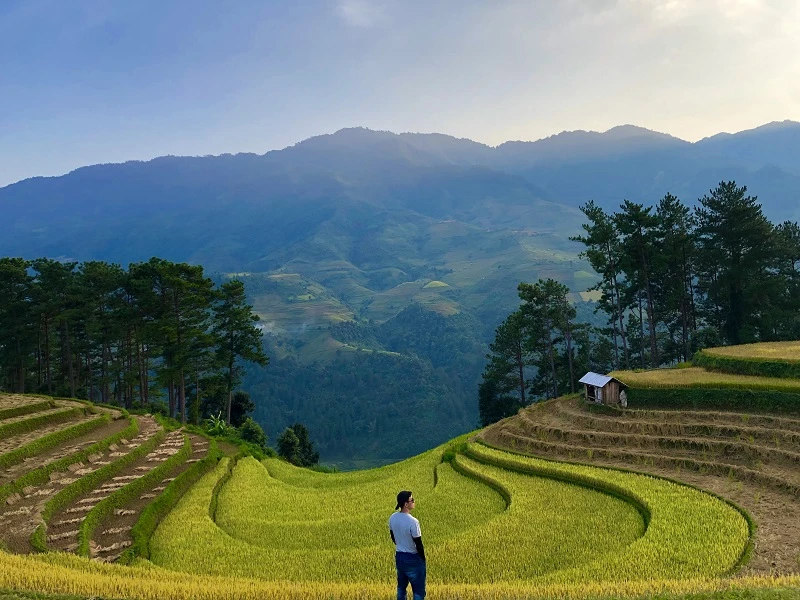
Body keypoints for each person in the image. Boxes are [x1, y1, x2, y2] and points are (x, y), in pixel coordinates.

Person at [389, 490, 426, 600]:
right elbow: (418, 544)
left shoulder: (392, 518)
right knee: (418, 591)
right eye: (412, 500)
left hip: (399, 556)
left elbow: (393, 537)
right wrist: (422, 559)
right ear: (406, 504)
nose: (414, 502)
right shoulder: (413, 522)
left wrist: (401, 544)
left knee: (401, 588)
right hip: (413, 558)